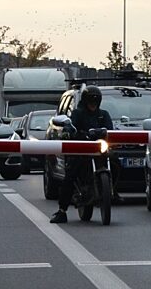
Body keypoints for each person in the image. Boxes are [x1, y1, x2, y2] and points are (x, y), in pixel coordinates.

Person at [50, 86, 115, 224]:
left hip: (100, 150)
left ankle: (112, 190)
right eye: (91, 100)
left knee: (116, 162)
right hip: (82, 151)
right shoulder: (77, 113)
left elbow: (110, 129)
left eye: (96, 100)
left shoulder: (104, 114)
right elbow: (71, 126)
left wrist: (107, 134)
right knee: (71, 174)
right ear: (85, 100)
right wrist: (70, 130)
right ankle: (62, 211)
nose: (93, 103)